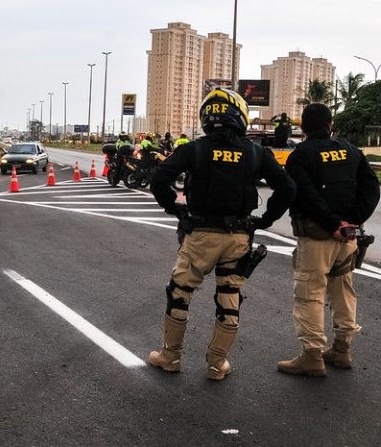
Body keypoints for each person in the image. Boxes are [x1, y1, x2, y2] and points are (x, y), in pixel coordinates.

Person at [147, 88, 296, 380]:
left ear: (206, 117)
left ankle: (170, 357)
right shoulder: (256, 152)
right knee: (229, 295)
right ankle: (217, 364)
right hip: (239, 236)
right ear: (240, 116)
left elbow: (160, 179)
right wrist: (264, 220)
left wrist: (175, 210)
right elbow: (288, 187)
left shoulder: (195, 148)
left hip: (200, 234)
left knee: (179, 293)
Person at [277, 103, 380, 376]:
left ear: (303, 128)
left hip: (317, 237)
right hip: (348, 238)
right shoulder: (351, 150)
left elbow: (306, 195)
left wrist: (334, 224)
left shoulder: (301, 155)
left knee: (310, 294)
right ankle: (342, 349)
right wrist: (352, 221)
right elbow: (371, 188)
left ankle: (312, 355)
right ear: (330, 124)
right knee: (343, 290)